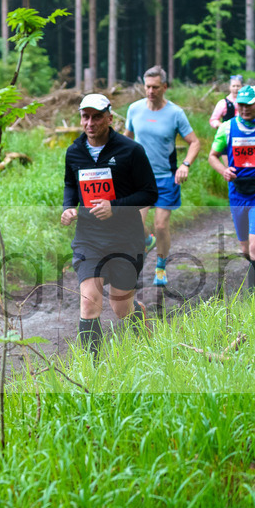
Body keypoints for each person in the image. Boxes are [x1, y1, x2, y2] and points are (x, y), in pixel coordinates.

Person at [62, 93, 157, 357]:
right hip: (89, 238)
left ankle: (142, 327)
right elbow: (71, 185)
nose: (90, 123)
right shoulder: (74, 152)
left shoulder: (131, 150)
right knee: (89, 303)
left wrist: (114, 206)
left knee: (121, 308)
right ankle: (94, 371)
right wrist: (68, 207)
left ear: (109, 118)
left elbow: (150, 193)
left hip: (125, 238)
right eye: (85, 116)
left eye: (97, 117)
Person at [124, 65, 201, 287]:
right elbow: (126, 139)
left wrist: (185, 164)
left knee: (160, 225)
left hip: (167, 178)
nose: (150, 91)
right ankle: (147, 242)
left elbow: (194, 142)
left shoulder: (175, 113)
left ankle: (160, 267)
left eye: (155, 87)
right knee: (134, 226)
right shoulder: (134, 109)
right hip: (139, 178)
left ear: (164, 87)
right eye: (147, 86)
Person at [207, 85, 255, 290]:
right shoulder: (226, 128)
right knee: (246, 250)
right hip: (237, 192)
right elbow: (212, 156)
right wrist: (224, 171)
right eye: (241, 104)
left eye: (249, 104)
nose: (244, 109)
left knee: (254, 245)